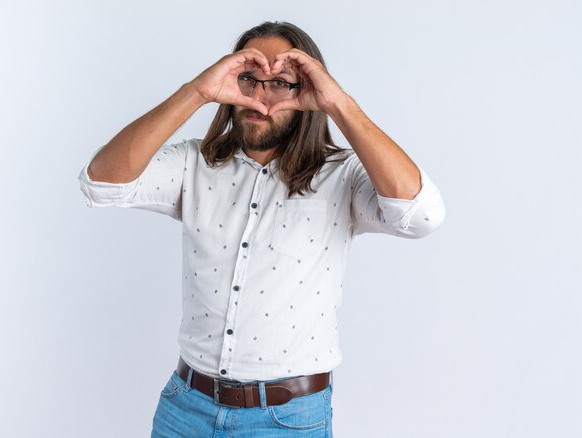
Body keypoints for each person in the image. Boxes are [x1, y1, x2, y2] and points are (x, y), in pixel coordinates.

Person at [78, 20, 445, 438]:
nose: (258, 96)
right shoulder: (194, 163)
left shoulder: (342, 176)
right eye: (248, 78)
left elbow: (422, 216)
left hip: (287, 421)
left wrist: (338, 103)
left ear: (307, 90)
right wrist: (197, 91)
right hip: (185, 408)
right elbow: (101, 184)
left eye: (279, 83)